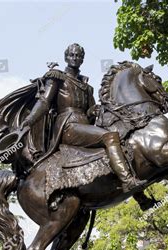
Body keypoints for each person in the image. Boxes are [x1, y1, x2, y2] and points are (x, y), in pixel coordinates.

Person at [19, 43, 144, 193]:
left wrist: (94, 110)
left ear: (82, 59)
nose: (75, 58)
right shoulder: (57, 77)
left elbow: (90, 110)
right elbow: (44, 102)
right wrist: (31, 119)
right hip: (68, 126)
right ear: (66, 57)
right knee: (110, 137)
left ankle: (138, 195)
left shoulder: (86, 87)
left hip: (85, 126)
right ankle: (128, 181)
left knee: (123, 142)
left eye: (78, 55)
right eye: (72, 55)